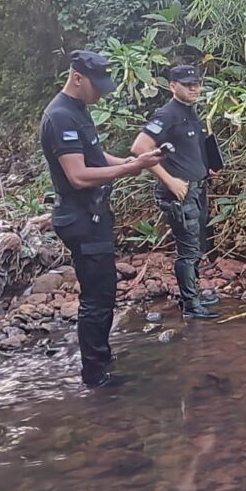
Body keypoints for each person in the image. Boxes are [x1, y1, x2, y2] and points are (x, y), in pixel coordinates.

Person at [40, 50, 162, 387]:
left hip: (93, 215)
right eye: (97, 87)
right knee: (96, 297)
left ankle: (101, 359)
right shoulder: (60, 116)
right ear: (77, 78)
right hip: (80, 218)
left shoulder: (79, 110)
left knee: (104, 292)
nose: (100, 94)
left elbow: (94, 155)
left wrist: (130, 160)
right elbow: (78, 175)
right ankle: (94, 376)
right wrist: (128, 169)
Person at [130, 64, 221, 319]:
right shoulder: (167, 114)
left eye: (197, 83)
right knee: (188, 249)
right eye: (187, 84)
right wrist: (170, 181)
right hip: (180, 192)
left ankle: (195, 295)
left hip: (198, 187)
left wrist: (208, 167)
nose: (194, 88)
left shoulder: (191, 112)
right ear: (172, 86)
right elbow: (139, 148)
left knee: (198, 245)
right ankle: (191, 306)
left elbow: (190, 147)